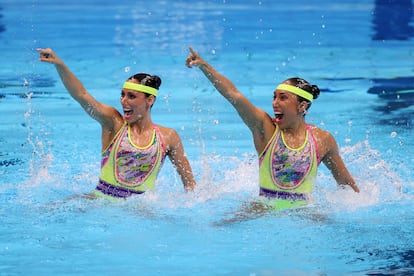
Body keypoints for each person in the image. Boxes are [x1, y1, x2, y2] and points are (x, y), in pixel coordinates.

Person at [186, 46, 359, 211]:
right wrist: (204, 66)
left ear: (302, 106)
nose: (274, 103)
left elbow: (347, 186)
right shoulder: (266, 130)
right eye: (274, 97)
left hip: (305, 213)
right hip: (264, 210)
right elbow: (234, 95)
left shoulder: (322, 140)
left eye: (283, 98)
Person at [37, 48, 195, 199]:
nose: (124, 101)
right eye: (122, 95)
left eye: (131, 96)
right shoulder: (114, 124)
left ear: (150, 100)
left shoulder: (168, 137)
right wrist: (59, 64)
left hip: (141, 211)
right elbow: (82, 95)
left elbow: (190, 186)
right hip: (100, 205)